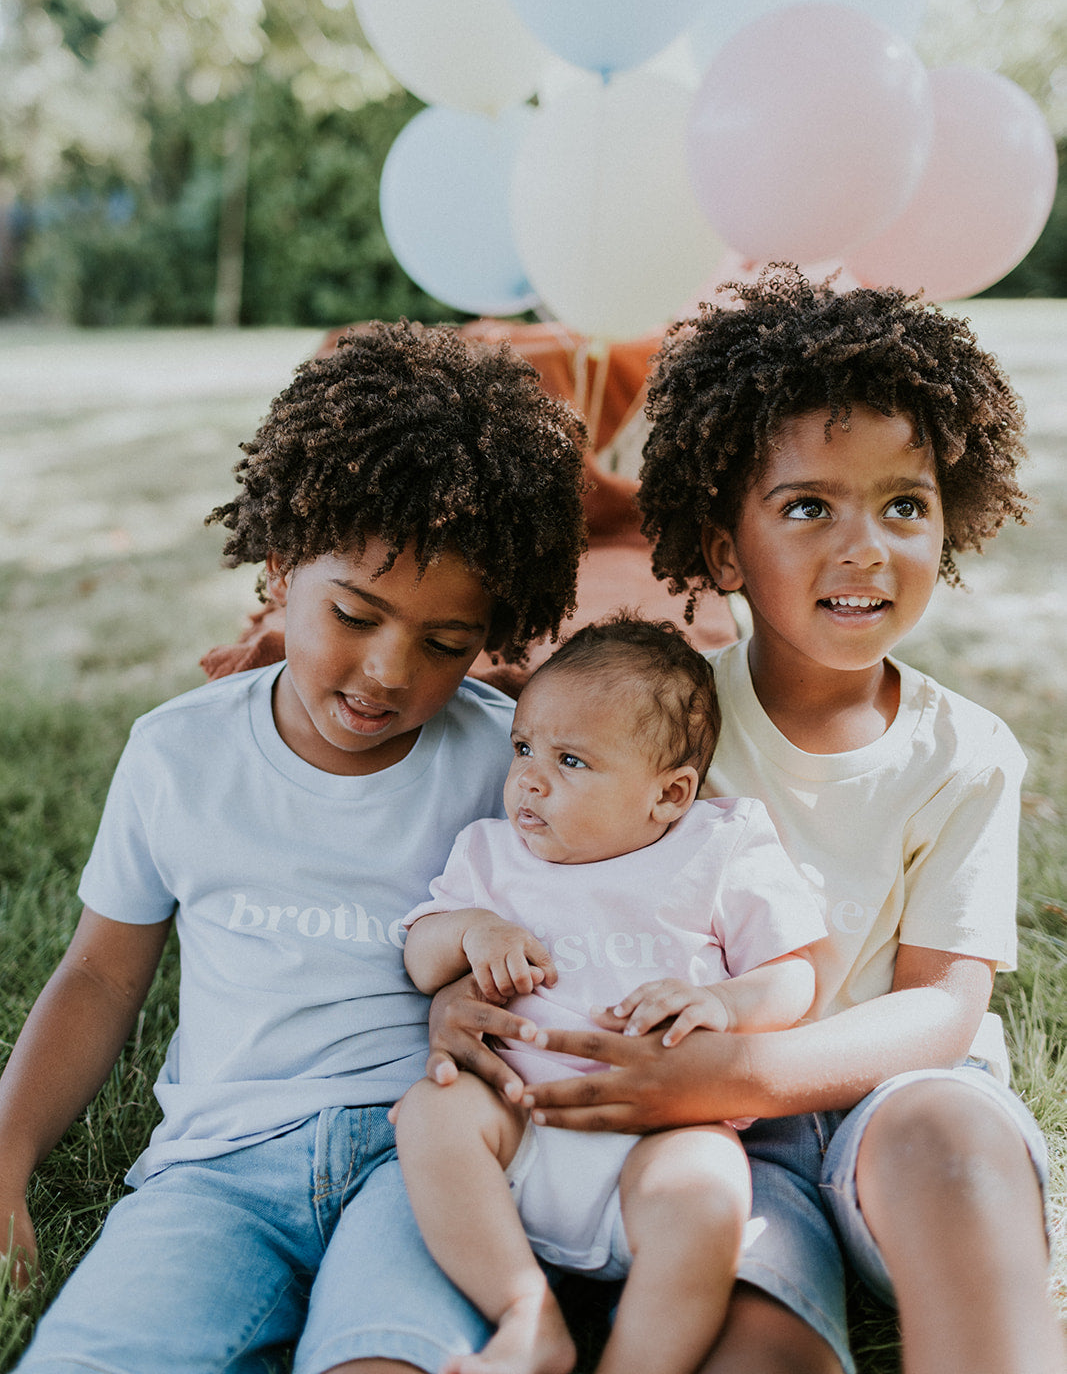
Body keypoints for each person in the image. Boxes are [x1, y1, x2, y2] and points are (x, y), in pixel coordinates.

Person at [426, 268, 1065, 1374]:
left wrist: (736, 1073)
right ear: (724, 550)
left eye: (903, 505)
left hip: (891, 1108)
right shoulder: (648, 730)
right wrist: (460, 997)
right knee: (754, 1349)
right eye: (808, 506)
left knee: (950, 1137)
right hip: (713, 1148)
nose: (865, 546)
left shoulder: (962, 754)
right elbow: (536, 887)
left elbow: (941, 1008)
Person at [0, 321, 588, 1374]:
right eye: (354, 614)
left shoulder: (510, 764)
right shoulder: (179, 753)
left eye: (445, 643)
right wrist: (6, 1152)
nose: (388, 671)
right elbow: (98, 975)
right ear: (279, 572)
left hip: (431, 1160)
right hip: (219, 1169)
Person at [395, 615, 827, 1374]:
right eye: (523, 748)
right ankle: (526, 1312)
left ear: (669, 794)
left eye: (570, 760)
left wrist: (724, 1006)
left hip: (660, 1140)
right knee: (433, 1112)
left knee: (711, 1187)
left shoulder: (720, 846)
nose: (530, 779)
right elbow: (421, 957)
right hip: (516, 1124)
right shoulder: (491, 852)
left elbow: (793, 974)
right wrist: (470, 931)